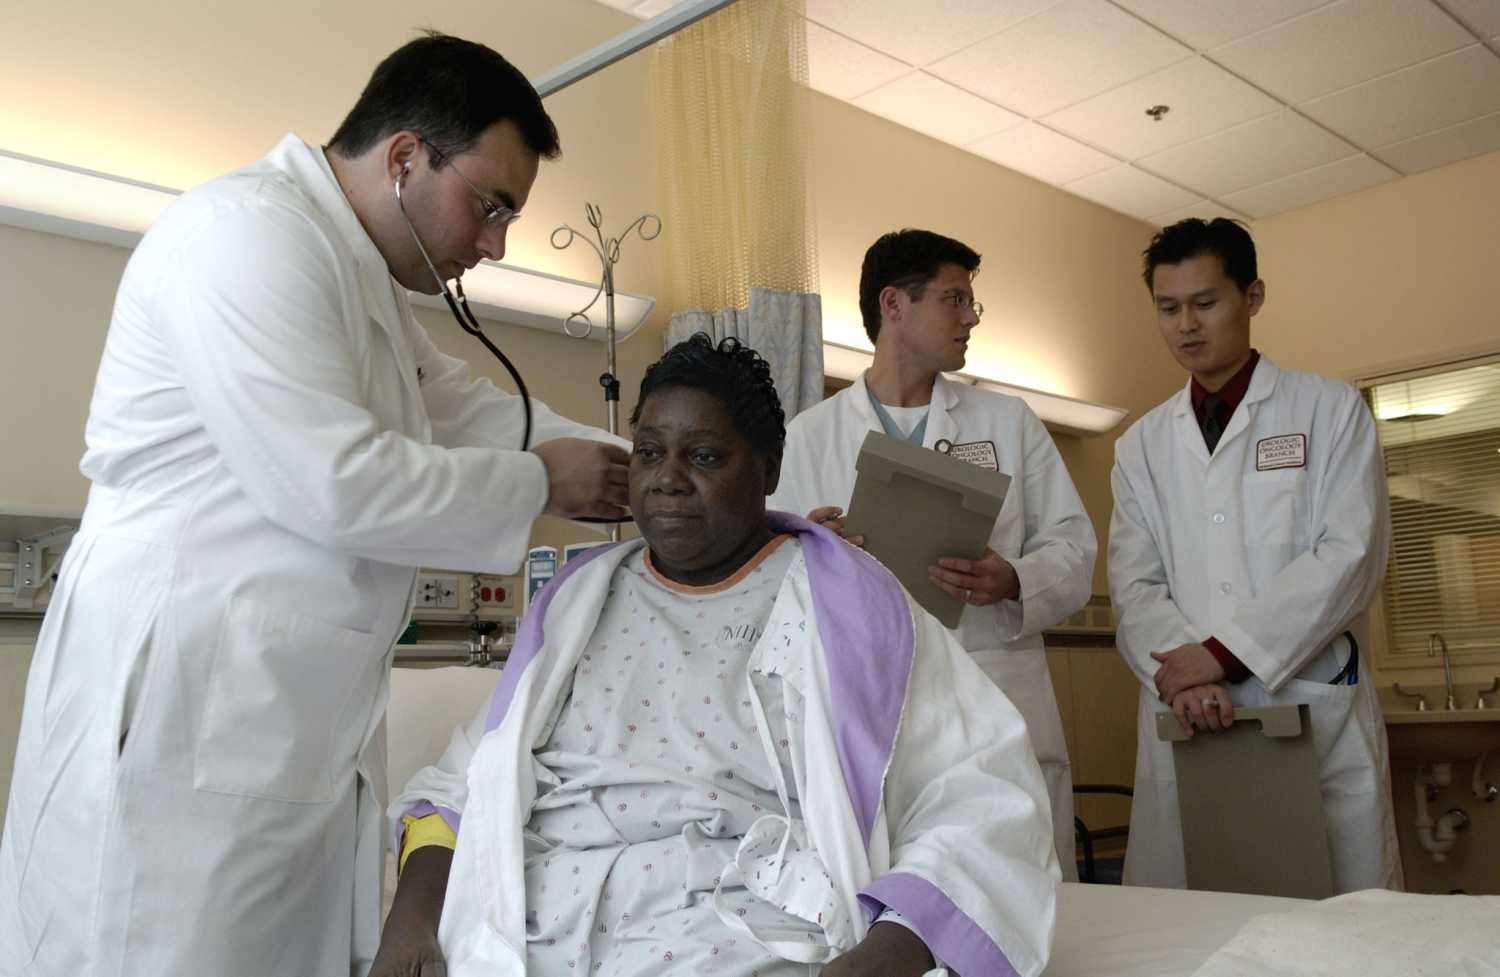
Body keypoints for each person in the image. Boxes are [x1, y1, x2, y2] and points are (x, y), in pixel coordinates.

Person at [0, 33, 631, 976]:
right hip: (177, 735)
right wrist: (547, 484)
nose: (495, 243)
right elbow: (335, 481)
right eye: (490, 205)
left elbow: (484, 413)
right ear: (406, 156)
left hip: (284, 744)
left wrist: (680, 474)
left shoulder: (361, 285)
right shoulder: (245, 237)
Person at [376, 335, 1060, 977]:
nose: (668, 479)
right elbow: (462, 787)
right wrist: (407, 929)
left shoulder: (851, 605)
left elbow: (983, 799)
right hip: (531, 936)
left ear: (768, 469)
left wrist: (880, 956)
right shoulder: (576, 603)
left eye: (703, 456)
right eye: (648, 452)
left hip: (735, 935)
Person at [768, 229, 1096, 880]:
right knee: (909, 898)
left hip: (998, 692)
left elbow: (1074, 548)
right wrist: (812, 548)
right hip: (878, 711)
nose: (971, 316)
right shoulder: (810, 436)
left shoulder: (1008, 423)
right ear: (894, 304)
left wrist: (1014, 578)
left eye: (972, 301)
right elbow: (774, 581)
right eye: (955, 298)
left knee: (1024, 889)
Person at [1108, 217, 1400, 892]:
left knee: (1336, 933)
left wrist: (1223, 653)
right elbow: (1135, 584)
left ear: (1253, 297)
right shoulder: (1142, 445)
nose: (1187, 324)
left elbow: (1349, 556)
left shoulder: (1329, 411)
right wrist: (1189, 673)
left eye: (1205, 303)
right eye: (1168, 307)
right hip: (1187, 713)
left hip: (1306, 704)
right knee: (1195, 936)